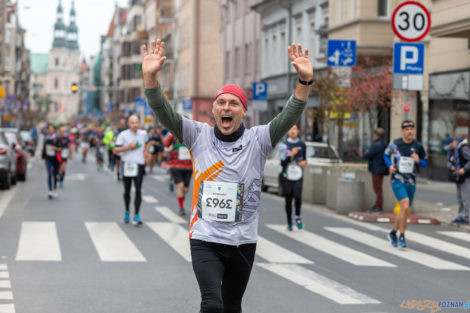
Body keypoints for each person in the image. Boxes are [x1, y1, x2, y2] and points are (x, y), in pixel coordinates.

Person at [142, 39, 313, 313]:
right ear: (213, 109)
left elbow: (289, 115)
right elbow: (164, 113)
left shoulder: (260, 139)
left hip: (243, 240)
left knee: (232, 305)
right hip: (205, 237)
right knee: (212, 305)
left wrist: (304, 82)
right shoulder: (197, 134)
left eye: (234, 103)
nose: (226, 107)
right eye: (220, 102)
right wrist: (150, 78)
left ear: (244, 111)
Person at [384, 120, 427, 248]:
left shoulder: (418, 146)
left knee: (404, 209)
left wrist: (418, 160)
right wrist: (390, 166)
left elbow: (425, 163)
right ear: (403, 130)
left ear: (414, 130)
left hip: (411, 181)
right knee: (405, 204)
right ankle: (402, 236)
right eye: (407, 129)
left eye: (411, 129)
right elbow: (385, 155)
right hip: (397, 179)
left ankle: (393, 232)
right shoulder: (395, 144)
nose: (409, 131)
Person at [113, 115, 148, 226]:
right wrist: (128, 147)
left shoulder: (143, 134)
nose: (135, 125)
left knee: (138, 190)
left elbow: (148, 143)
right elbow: (115, 150)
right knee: (127, 191)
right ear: (128, 124)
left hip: (139, 165)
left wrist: (146, 152)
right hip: (127, 165)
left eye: (137, 122)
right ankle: (127, 212)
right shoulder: (123, 135)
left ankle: (137, 215)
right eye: (133, 123)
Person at [279, 124, 306, 231]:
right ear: (287, 132)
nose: (293, 131)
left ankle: (298, 216)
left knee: (298, 197)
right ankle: (289, 221)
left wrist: (304, 162)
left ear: (298, 131)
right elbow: (282, 162)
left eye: (295, 128)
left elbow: (304, 159)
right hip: (287, 176)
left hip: (298, 175)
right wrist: (290, 155)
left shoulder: (302, 145)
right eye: (290, 129)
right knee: (288, 200)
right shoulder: (283, 145)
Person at [164, 132, 193, 216]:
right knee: (180, 185)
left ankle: (181, 200)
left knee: (185, 189)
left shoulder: (191, 136)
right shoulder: (172, 136)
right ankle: (181, 208)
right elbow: (165, 146)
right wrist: (169, 149)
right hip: (176, 165)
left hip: (188, 166)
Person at [363, 128, 388, 213]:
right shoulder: (384, 144)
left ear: (376, 135)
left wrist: (367, 152)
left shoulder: (376, 145)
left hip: (377, 169)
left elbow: (367, 155)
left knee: (377, 189)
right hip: (381, 168)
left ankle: (379, 206)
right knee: (378, 188)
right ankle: (377, 205)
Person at [446, 137, 470, 225]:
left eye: (450, 145)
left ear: (454, 142)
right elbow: (448, 161)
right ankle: (460, 216)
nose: (449, 148)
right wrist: (451, 166)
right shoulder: (452, 151)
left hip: (466, 176)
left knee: (465, 198)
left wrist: (464, 169)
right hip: (458, 176)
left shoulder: (463, 148)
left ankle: (466, 217)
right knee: (460, 197)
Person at [42, 124, 61, 198]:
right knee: (49, 174)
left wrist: (55, 148)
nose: (50, 130)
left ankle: (55, 188)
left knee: (55, 174)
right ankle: (50, 191)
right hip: (48, 158)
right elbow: (44, 147)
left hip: (56, 158)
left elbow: (61, 148)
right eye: (48, 129)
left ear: (54, 130)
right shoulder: (46, 138)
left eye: (51, 129)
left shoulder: (57, 138)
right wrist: (43, 149)